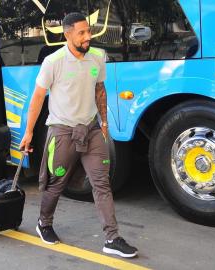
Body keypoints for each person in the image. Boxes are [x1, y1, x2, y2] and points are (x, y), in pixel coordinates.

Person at [20, 13, 138, 258]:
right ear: (68, 34)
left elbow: (100, 89)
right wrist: (29, 132)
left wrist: (104, 122)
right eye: (81, 33)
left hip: (91, 129)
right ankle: (44, 223)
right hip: (62, 131)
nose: (88, 37)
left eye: (89, 31)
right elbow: (38, 98)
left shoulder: (97, 57)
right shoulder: (54, 61)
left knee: (102, 183)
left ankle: (112, 237)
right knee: (57, 183)